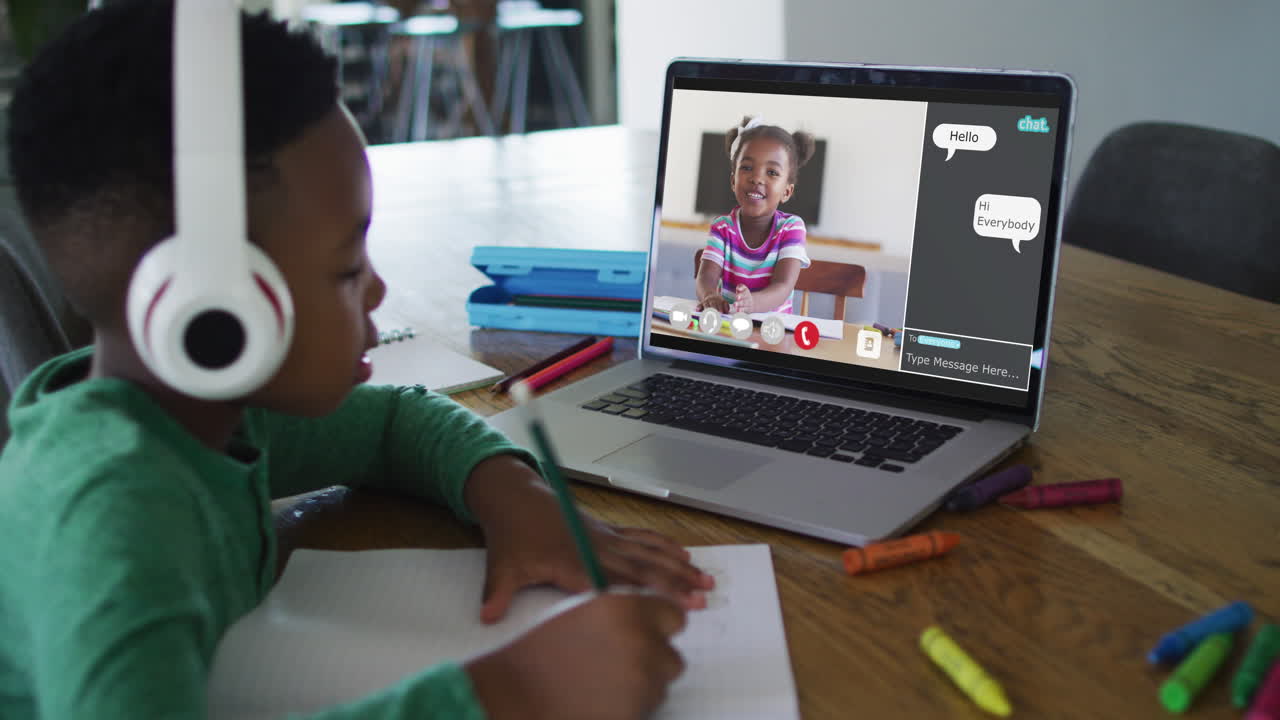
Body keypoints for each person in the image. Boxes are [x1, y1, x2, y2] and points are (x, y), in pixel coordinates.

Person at [0, 2, 712, 718]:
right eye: (346, 269)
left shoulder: (203, 418)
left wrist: (516, 500)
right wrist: (510, 694)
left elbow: (392, 422)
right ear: (214, 312)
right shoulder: (114, 521)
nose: (377, 288)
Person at [695, 115, 817, 316]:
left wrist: (754, 304)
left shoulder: (791, 228)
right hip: (729, 329)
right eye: (747, 168)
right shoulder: (722, 227)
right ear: (733, 181)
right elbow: (705, 277)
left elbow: (783, 286)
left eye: (772, 172)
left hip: (772, 334)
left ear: (787, 191)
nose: (757, 178)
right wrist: (709, 295)